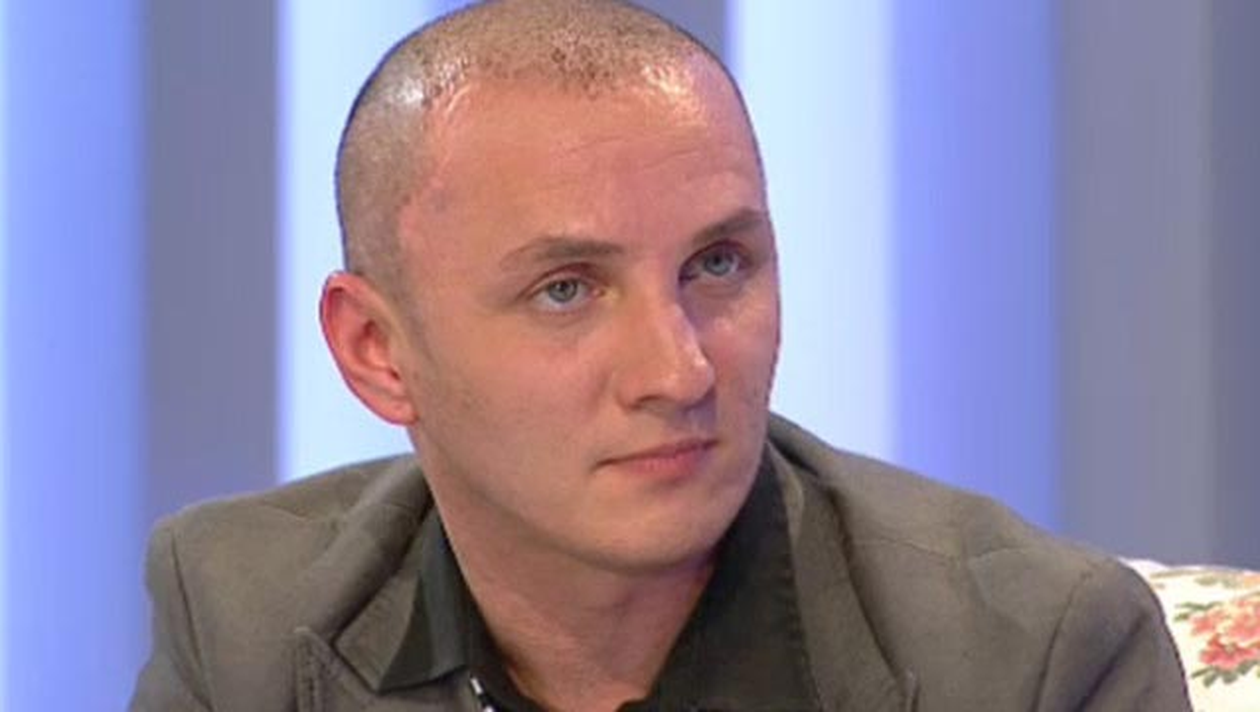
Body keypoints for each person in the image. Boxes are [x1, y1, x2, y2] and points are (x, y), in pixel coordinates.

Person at [130, 1, 1191, 710]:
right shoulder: (244, 615)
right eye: (566, 289)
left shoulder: (1030, 658)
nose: (679, 373)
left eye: (718, 265)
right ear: (377, 351)